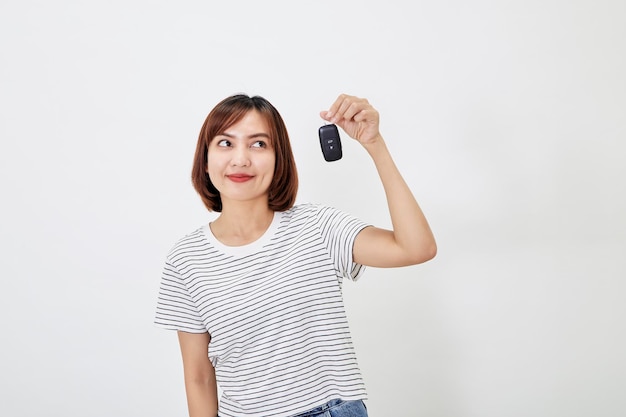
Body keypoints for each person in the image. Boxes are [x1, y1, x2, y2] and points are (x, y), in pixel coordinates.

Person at [154, 93, 437, 417]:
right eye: (225, 143)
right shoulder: (185, 260)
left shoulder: (318, 226)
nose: (241, 159)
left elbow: (417, 248)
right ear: (205, 160)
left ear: (279, 159)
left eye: (258, 144)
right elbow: (199, 378)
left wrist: (375, 145)